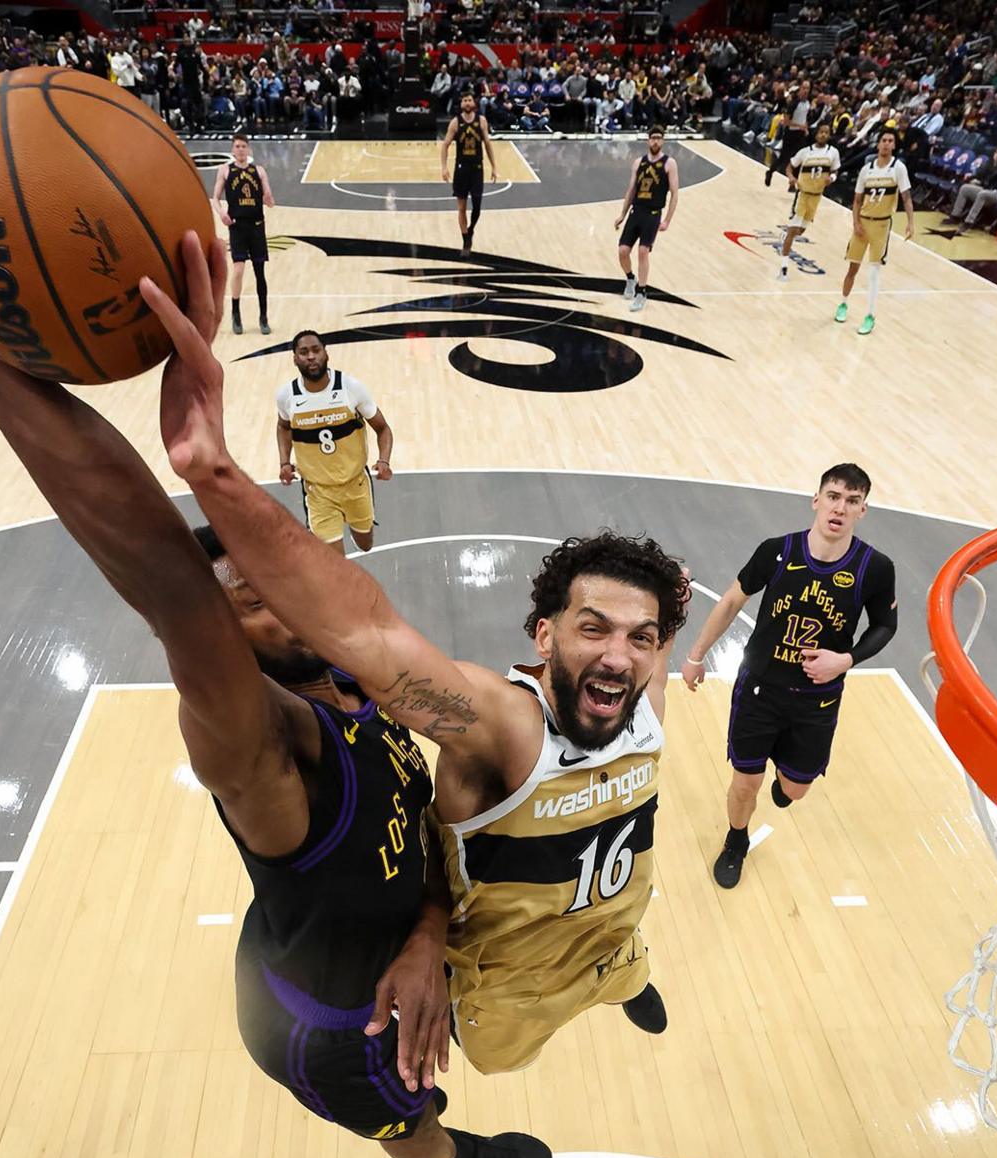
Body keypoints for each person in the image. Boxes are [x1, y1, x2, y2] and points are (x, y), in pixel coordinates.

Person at [0, 82, 549, 1158]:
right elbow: (168, 589)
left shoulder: (355, 675)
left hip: (382, 941)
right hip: (327, 1030)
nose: (267, 597)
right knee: (412, 1130)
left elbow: (443, 772)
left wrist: (428, 934)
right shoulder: (255, 743)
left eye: (268, 581)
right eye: (238, 601)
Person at [141, 233, 686, 1076]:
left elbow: (655, 637)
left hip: (614, 929)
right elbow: (370, 636)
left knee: (623, 946)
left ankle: (624, 979)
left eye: (641, 637)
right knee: (505, 1058)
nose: (620, 656)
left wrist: (669, 611)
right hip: (516, 983)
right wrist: (214, 474)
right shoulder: (498, 724)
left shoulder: (645, 694)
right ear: (542, 638)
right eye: (593, 628)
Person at [677, 465, 897, 889]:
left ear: (863, 510)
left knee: (795, 790)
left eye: (852, 501)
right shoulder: (777, 551)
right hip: (760, 688)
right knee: (746, 782)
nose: (840, 508)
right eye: (833, 496)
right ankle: (736, 840)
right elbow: (731, 601)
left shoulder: (875, 568)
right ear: (816, 500)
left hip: (817, 699)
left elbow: (885, 626)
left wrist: (844, 659)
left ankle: (787, 783)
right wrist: (695, 654)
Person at [275, 329, 394, 553]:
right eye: (303, 352)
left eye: (316, 350)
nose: (311, 356)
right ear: (295, 359)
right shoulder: (286, 396)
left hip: (355, 483)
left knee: (365, 544)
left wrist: (384, 461)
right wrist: (284, 462)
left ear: (326, 353)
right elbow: (283, 426)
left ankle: (350, 520)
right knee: (335, 562)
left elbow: (383, 428)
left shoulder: (351, 388)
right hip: (317, 490)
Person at [836, 129, 914, 334]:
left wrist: (910, 222)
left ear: (894, 145)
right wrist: (856, 223)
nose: (887, 144)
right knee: (852, 269)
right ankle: (843, 304)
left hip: (881, 225)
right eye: (884, 140)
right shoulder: (866, 170)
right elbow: (856, 200)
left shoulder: (899, 168)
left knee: (873, 272)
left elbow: (906, 197)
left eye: (890, 141)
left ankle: (870, 316)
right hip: (862, 223)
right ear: (878, 144)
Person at [213, 133, 275, 335]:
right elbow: (215, 198)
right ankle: (236, 312)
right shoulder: (225, 170)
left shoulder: (259, 171)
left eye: (243, 146)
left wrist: (268, 197)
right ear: (232, 150)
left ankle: (263, 316)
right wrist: (222, 212)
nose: (240, 149)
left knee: (260, 273)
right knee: (238, 270)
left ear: (248, 150)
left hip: (257, 225)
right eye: (237, 146)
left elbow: (269, 200)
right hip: (237, 226)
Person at [614, 125, 679, 313]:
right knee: (623, 251)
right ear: (648, 140)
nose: (656, 141)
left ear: (663, 140)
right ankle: (630, 278)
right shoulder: (638, 163)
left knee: (643, 252)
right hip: (636, 212)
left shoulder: (669, 163)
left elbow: (674, 194)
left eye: (659, 138)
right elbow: (631, 190)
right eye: (653, 138)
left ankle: (641, 293)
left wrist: (667, 220)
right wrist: (622, 214)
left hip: (653, 214)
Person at [777, 121, 839, 281]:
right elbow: (789, 167)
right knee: (793, 231)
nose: (823, 134)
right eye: (821, 132)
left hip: (817, 196)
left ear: (829, 135)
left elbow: (835, 170)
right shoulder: (805, 152)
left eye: (826, 132)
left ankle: (787, 236)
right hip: (802, 194)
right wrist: (791, 178)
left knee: (800, 231)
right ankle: (783, 269)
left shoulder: (833, 152)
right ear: (816, 134)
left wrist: (831, 178)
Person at [438, 89, 495, 257]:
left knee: (477, 206)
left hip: (477, 168)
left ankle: (470, 229)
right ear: (461, 104)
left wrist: (494, 167)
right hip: (461, 169)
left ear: (474, 103)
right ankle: (466, 241)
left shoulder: (482, 121)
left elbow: (488, 144)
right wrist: (444, 167)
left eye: (470, 100)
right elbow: (445, 145)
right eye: (464, 100)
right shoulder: (455, 123)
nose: (467, 103)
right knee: (461, 208)